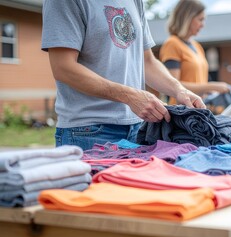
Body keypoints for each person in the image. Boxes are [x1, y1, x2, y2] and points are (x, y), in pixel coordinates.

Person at [42, 0, 206, 150]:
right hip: (88, 132)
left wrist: (179, 90)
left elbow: (147, 61)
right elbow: (63, 67)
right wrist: (129, 96)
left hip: (138, 128)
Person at [159, 0, 231, 104]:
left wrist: (210, 91)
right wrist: (211, 86)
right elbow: (172, 86)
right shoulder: (172, 44)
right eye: (200, 19)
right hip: (182, 112)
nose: (203, 25)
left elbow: (200, 82)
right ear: (187, 19)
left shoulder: (197, 46)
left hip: (199, 109)